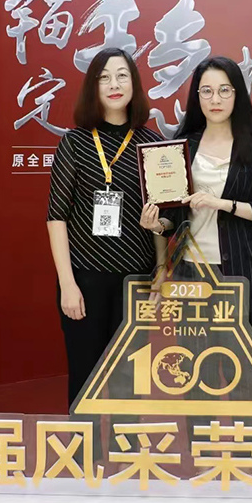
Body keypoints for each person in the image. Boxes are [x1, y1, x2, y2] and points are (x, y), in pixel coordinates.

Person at [46, 47, 165, 411]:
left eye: (122, 76)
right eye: (104, 78)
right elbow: (56, 216)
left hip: (137, 281)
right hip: (85, 279)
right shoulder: (75, 142)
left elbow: (164, 220)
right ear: (93, 87)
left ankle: (125, 446)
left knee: (130, 383)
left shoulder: (153, 145)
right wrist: (68, 284)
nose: (114, 85)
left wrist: (161, 271)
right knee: (85, 378)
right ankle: (84, 445)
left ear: (134, 84)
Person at [141, 56, 252, 353]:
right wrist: (157, 225)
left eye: (224, 90)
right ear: (197, 96)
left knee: (249, 369)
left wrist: (222, 204)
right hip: (191, 272)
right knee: (196, 366)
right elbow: (175, 216)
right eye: (206, 91)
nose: (215, 99)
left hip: (244, 272)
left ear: (237, 94)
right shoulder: (182, 144)